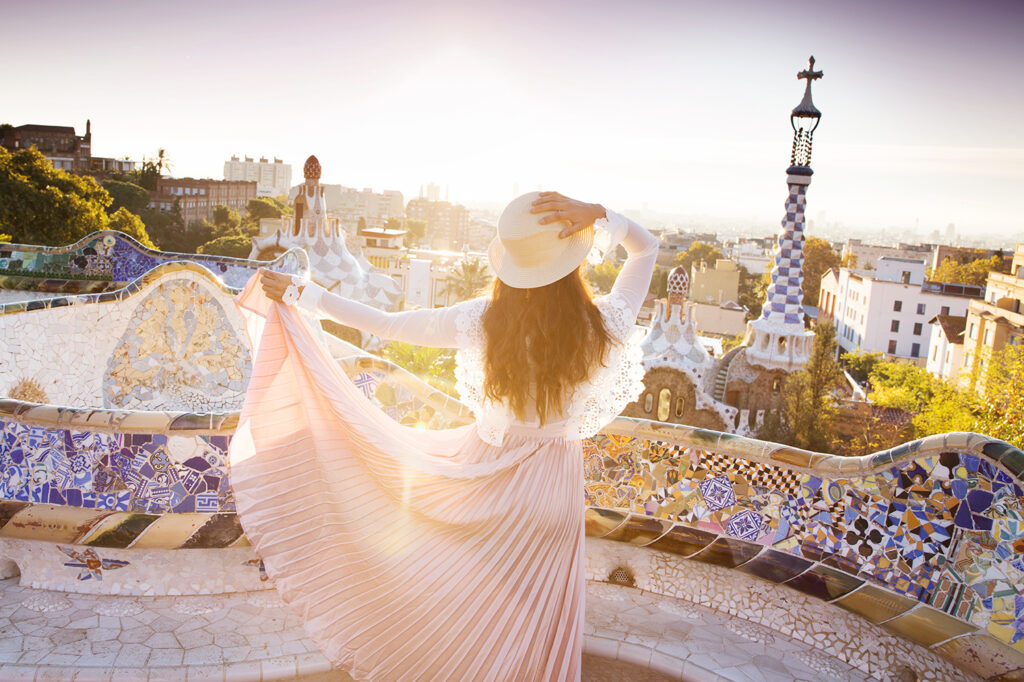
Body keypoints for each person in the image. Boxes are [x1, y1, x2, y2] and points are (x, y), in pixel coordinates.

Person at [229, 191, 658, 681]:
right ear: (572, 262)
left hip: (485, 481)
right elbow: (646, 250)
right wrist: (600, 215)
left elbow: (384, 324)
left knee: (474, 609)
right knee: (540, 621)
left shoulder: (482, 322)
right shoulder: (603, 323)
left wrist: (303, 295)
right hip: (553, 491)